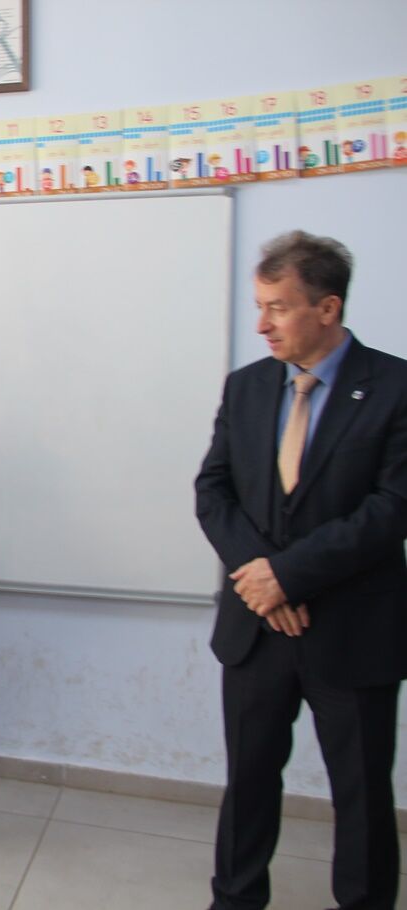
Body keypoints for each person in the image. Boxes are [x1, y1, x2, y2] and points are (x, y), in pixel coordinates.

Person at [195, 231, 407, 910]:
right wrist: (262, 579)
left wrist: (289, 576)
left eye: (278, 307)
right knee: (249, 783)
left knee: (361, 793)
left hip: (352, 630)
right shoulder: (247, 387)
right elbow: (213, 491)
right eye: (259, 305)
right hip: (256, 628)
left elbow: (392, 508)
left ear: (327, 307)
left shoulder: (396, 387)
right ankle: (235, 900)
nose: (262, 324)